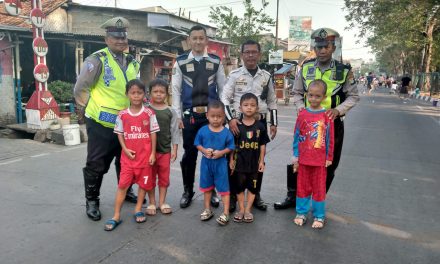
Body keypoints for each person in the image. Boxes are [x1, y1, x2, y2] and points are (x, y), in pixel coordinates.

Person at [274, 27, 359, 210]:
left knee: (329, 163)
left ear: (333, 47)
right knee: (298, 158)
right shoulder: (306, 67)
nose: (321, 50)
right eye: (318, 46)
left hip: (331, 125)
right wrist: (301, 108)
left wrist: (338, 111)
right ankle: (293, 196)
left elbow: (353, 96)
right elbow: (296, 93)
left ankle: (318, 198)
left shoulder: (344, 70)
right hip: (307, 124)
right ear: (314, 47)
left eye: (326, 46)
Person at [73, 17, 141, 221]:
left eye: (123, 37)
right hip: (101, 122)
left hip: (126, 124)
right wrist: (84, 112)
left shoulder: (132, 62)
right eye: (115, 37)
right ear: (107, 39)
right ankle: (92, 201)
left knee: (126, 161)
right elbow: (80, 88)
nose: (120, 41)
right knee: (97, 163)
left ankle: (126, 191)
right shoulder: (97, 60)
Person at [172, 25, 227, 209]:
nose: (197, 41)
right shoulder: (179, 62)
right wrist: (177, 116)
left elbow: (223, 90)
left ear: (206, 40)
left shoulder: (215, 61)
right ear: (189, 40)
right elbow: (175, 91)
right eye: (194, 38)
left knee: (212, 155)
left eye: (201, 38)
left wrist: (224, 115)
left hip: (212, 118)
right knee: (190, 155)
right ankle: (188, 191)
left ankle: (211, 192)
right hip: (190, 117)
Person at [221, 39, 278, 212]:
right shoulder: (235, 75)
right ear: (242, 55)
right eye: (247, 52)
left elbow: (272, 101)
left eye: (254, 52)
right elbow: (224, 99)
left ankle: (256, 194)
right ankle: (231, 196)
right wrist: (230, 119)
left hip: (258, 123)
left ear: (259, 54)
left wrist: (273, 123)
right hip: (237, 124)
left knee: (257, 161)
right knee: (233, 160)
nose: (251, 55)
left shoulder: (266, 77)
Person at [104, 79, 159, 231]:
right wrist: (126, 150)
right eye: (133, 93)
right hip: (128, 160)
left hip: (145, 159)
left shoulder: (149, 113)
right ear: (127, 94)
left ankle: (138, 209)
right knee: (122, 185)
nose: (136, 96)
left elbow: (153, 134)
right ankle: (116, 215)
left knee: (143, 185)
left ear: (144, 95)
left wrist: (153, 153)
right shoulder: (122, 115)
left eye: (139, 93)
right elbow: (120, 134)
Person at [292, 80, 334, 229]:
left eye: (317, 96)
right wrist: (295, 156)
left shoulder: (327, 116)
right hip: (303, 160)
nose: (314, 99)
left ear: (323, 97)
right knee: (302, 186)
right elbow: (296, 136)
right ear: (306, 95)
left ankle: (319, 215)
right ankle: (301, 213)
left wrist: (329, 157)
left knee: (319, 188)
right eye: (311, 95)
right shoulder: (302, 114)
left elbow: (330, 139)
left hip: (320, 161)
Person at [229, 93, 270, 223]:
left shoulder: (261, 126)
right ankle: (241, 209)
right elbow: (232, 146)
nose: (249, 108)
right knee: (239, 187)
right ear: (240, 108)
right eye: (246, 105)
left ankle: (248, 210)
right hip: (239, 164)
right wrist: (231, 160)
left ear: (257, 108)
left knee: (253, 188)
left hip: (254, 164)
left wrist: (262, 161)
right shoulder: (236, 126)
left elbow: (262, 145)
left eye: (252, 105)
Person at [194, 100, 235, 226]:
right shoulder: (202, 130)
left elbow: (231, 147)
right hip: (206, 164)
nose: (216, 119)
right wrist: (204, 151)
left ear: (224, 117)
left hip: (221, 164)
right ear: (207, 115)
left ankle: (226, 213)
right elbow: (197, 144)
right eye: (213, 116)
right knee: (207, 188)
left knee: (224, 189)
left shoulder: (227, 132)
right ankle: (207, 209)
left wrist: (222, 152)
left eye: (219, 116)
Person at [146, 79, 180, 215]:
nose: (158, 94)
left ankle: (162, 202)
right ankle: (152, 203)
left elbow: (175, 132)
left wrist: (175, 149)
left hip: (165, 151)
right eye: (155, 92)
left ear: (167, 94)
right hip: (148, 152)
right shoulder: (146, 110)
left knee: (164, 178)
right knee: (150, 177)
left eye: (162, 92)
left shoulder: (171, 112)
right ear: (149, 93)